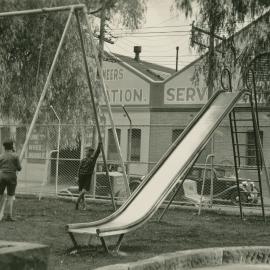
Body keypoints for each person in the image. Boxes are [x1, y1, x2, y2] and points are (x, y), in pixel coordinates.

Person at [75, 142, 102, 210]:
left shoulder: (93, 159)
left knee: (84, 191)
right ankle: (84, 206)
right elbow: (79, 169)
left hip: (88, 176)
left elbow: (98, 152)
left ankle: (77, 202)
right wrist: (77, 177)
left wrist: (99, 145)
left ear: (92, 153)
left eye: (90, 152)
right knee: (82, 193)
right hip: (81, 176)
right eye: (88, 151)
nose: (88, 153)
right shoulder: (83, 160)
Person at [0, 140, 22, 221]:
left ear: (4, 147)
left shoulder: (1, 156)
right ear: (12, 147)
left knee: (0, 195)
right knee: (10, 196)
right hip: (11, 176)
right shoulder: (15, 156)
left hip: (1, 176)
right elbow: (19, 168)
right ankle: (9, 216)